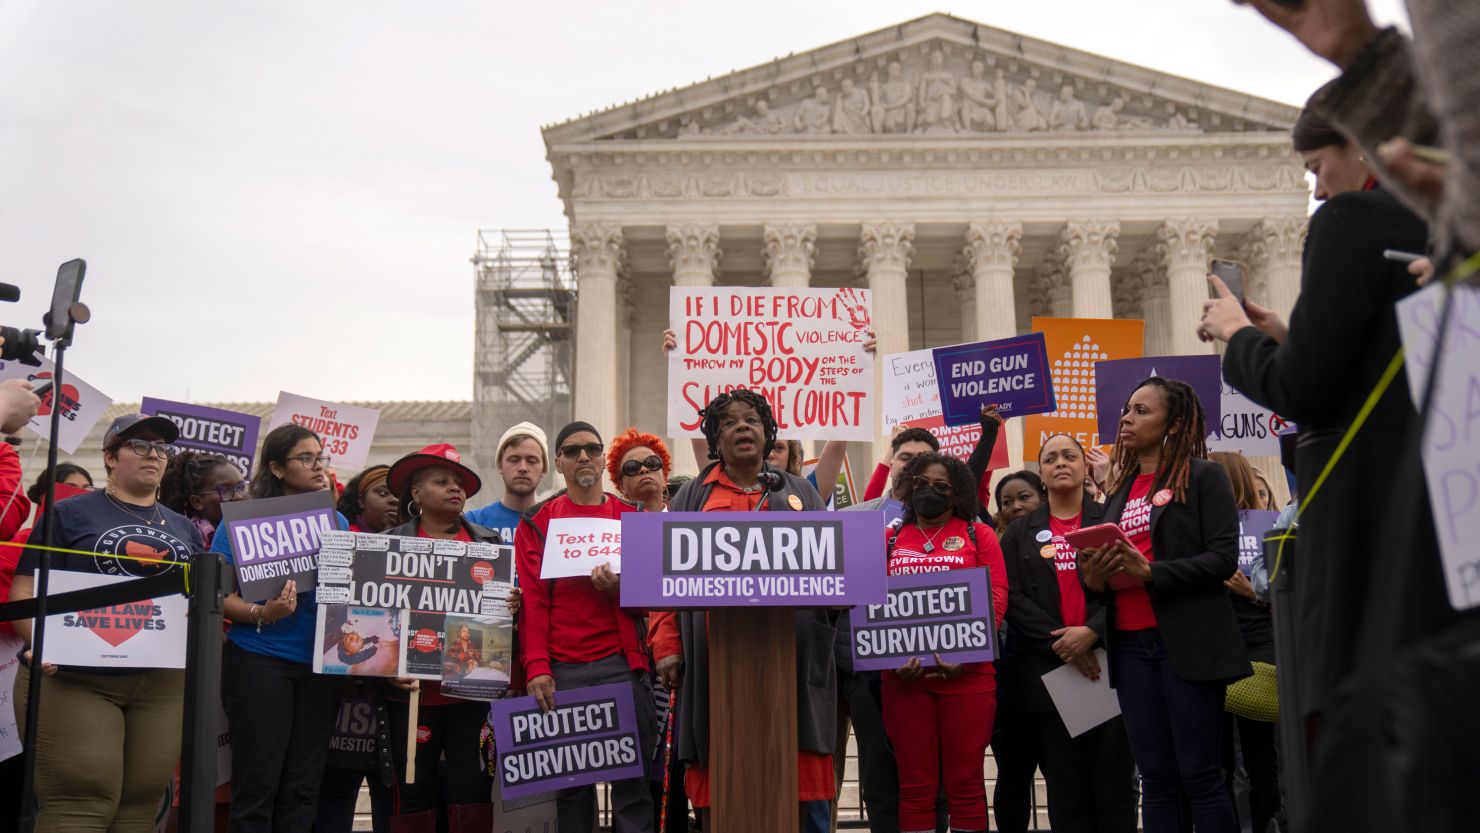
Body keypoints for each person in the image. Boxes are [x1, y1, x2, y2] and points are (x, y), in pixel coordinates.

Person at [1199, 102, 1430, 738]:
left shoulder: (1353, 219)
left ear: (1361, 145)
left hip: (1362, 510)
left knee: (1354, 719)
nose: (1319, 191)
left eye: (1317, 168)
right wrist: (1289, 335)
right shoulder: (1433, 226)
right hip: (1427, 496)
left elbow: (1304, 389)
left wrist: (1240, 337)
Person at [650, 390, 840, 833]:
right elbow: (660, 581)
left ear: (768, 431)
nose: (742, 427)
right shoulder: (692, 498)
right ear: (715, 438)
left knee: (802, 792)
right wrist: (666, 645)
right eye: (730, 422)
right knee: (725, 789)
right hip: (714, 667)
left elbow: (838, 569)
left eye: (752, 420)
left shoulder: (798, 495)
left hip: (792, 667)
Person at [1077, 377, 1250, 833]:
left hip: (1185, 645)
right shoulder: (1120, 489)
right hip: (1131, 647)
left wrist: (1152, 571)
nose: (1126, 418)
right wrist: (1094, 578)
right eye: (1127, 409)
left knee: (1200, 776)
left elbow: (1221, 559)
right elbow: (1109, 572)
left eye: (1141, 411)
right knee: (1156, 780)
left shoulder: (1204, 475)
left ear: (1173, 423)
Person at [11, 414, 198, 832]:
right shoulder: (68, 514)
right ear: (110, 457)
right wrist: (42, 643)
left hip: (160, 683)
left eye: (162, 448)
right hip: (76, 677)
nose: (154, 454)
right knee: (80, 803)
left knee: (139, 807)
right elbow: (23, 591)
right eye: (140, 445)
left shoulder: (184, 527)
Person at [516, 421, 656, 833]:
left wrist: (619, 589)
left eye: (592, 450)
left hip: (622, 666)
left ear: (602, 460)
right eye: (572, 450)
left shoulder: (632, 517)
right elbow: (534, 603)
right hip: (562, 672)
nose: (583, 457)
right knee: (572, 792)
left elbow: (653, 601)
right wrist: (537, 667)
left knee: (633, 787)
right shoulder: (537, 523)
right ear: (557, 462)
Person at [212, 423, 348, 833]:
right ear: (275, 467)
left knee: (303, 788)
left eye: (320, 456)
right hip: (260, 661)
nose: (317, 465)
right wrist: (261, 614)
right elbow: (218, 597)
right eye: (305, 458)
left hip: (321, 669)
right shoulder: (238, 522)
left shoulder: (337, 522)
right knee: (257, 786)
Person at [1000, 433, 1138, 833]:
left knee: (1116, 787)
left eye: (1069, 456)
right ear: (1040, 472)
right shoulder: (1020, 532)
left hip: (1110, 670)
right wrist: (1065, 643)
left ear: (1084, 466)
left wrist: (1091, 633)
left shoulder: (1111, 518)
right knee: (1066, 789)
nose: (1060, 463)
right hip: (1050, 675)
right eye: (1050, 458)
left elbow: (1130, 583)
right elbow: (1013, 596)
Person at [882, 452, 1008, 833]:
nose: (928, 491)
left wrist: (967, 657)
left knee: (966, 784)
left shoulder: (978, 534)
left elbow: (997, 595)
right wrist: (890, 659)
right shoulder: (887, 539)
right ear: (908, 488)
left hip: (968, 680)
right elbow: (869, 602)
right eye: (920, 483)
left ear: (956, 496)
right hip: (904, 681)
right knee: (915, 786)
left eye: (941, 486)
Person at [383, 443, 500, 832]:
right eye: (442, 481)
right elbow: (372, 618)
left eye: (459, 483)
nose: (456, 488)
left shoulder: (490, 545)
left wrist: (510, 604)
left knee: (474, 789)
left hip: (472, 696)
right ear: (415, 494)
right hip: (413, 698)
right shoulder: (388, 545)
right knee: (413, 792)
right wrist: (386, 670)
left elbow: (502, 621)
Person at [841, 425, 944, 833]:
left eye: (924, 461)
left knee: (933, 784)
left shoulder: (956, 526)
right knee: (880, 781)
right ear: (891, 464)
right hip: (869, 675)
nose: (913, 467)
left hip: (937, 669)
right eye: (906, 458)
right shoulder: (852, 519)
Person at [316, 469, 398, 833]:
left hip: (394, 701)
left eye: (399, 493)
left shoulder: (415, 542)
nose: (393, 500)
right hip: (342, 702)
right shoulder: (339, 541)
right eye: (383, 492)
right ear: (360, 500)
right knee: (335, 797)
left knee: (391, 800)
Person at [1209, 451, 1282, 833]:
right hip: (1209, 652)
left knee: (1260, 759)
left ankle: (1266, 822)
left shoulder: (1271, 526)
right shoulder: (1198, 529)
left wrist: (1252, 592)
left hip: (1256, 649)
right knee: (1216, 763)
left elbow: (1291, 594)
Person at [465, 421, 548, 543]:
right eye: (514, 460)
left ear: (544, 468)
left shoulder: (555, 525)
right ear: (499, 465)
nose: (523, 468)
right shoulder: (473, 522)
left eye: (532, 461)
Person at [160, 450, 247, 547]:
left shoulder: (250, 536)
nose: (238, 496)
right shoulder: (185, 543)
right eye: (224, 490)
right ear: (197, 502)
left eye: (241, 487)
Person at [607, 427, 671, 512]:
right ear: (622, 487)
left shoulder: (685, 521)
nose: (643, 469)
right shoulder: (614, 524)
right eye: (632, 467)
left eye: (652, 463)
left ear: (663, 478)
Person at [337, 464, 399, 533]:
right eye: (383, 493)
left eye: (400, 495)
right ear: (361, 501)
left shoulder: (410, 535)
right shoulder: (339, 534)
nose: (395, 500)